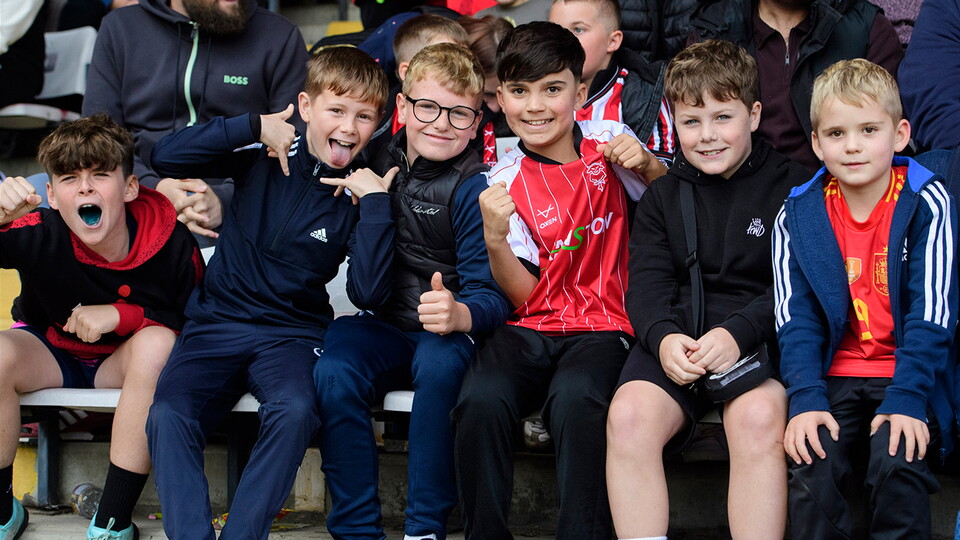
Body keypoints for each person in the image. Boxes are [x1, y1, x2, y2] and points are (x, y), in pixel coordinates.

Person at [144, 47, 393, 540]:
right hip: (215, 324)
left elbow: (368, 293)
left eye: (363, 116)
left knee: (297, 410)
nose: (348, 127)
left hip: (291, 336)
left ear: (377, 124)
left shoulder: (366, 188)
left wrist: (377, 209)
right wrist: (252, 126)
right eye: (336, 110)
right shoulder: (263, 153)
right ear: (305, 106)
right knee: (169, 413)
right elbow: (163, 156)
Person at [452, 21, 655, 539]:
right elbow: (525, 295)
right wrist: (495, 240)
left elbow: (675, 206)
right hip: (531, 326)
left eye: (552, 88)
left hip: (606, 325)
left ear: (580, 91)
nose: (536, 106)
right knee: (480, 398)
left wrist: (650, 167)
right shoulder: (500, 180)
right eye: (519, 91)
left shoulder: (611, 142)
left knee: (578, 399)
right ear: (500, 98)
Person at [606, 39, 809, 540]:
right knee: (629, 417)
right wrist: (663, 337)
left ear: (755, 114)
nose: (707, 136)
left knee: (760, 418)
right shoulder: (663, 195)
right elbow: (647, 284)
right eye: (691, 121)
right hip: (679, 338)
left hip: (756, 338)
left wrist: (738, 333)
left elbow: (796, 285)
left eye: (723, 117)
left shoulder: (795, 188)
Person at [314, 42, 511, 540]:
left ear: (477, 121)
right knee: (335, 364)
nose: (441, 123)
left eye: (459, 112)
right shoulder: (375, 160)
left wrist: (459, 312)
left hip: (446, 331)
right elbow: (364, 292)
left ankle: (424, 528)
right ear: (402, 108)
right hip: (384, 322)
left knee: (441, 366)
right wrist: (376, 205)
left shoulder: (475, 186)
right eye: (427, 106)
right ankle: (356, 528)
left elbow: (495, 297)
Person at [774, 58, 958, 539]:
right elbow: (796, 319)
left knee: (898, 459)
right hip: (834, 375)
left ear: (899, 135)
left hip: (907, 374)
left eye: (868, 129)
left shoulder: (926, 201)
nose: (852, 145)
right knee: (811, 459)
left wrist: (910, 397)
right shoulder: (799, 213)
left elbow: (932, 313)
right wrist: (806, 398)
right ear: (815, 143)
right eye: (835, 133)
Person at [0, 114, 202, 540]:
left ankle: (112, 520)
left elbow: (200, 324)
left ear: (129, 187)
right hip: (51, 351)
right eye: (70, 178)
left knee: (157, 344)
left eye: (100, 175)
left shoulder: (171, 240)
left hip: (126, 363)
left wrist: (123, 314)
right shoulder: (40, 227)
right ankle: (3, 512)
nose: (86, 188)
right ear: (52, 195)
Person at [82, 0, 308, 243]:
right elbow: (98, 134)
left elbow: (298, 147)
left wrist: (224, 199)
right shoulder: (121, 27)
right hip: (133, 193)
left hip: (239, 206)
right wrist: (151, 188)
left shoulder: (279, 36)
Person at [689, 0, 902, 172]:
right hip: (740, 199)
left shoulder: (866, 28)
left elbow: (882, 138)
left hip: (839, 196)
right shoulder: (713, 31)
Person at [550, 0, 675, 178]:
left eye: (578, 30)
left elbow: (667, 183)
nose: (562, 42)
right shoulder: (539, 95)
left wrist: (646, 162)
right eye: (555, 31)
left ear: (613, 41)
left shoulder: (646, 95)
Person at [363, 14, 471, 163]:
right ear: (406, 73)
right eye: (441, 62)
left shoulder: (473, 123)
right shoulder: (372, 121)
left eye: (462, 62)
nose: (454, 71)